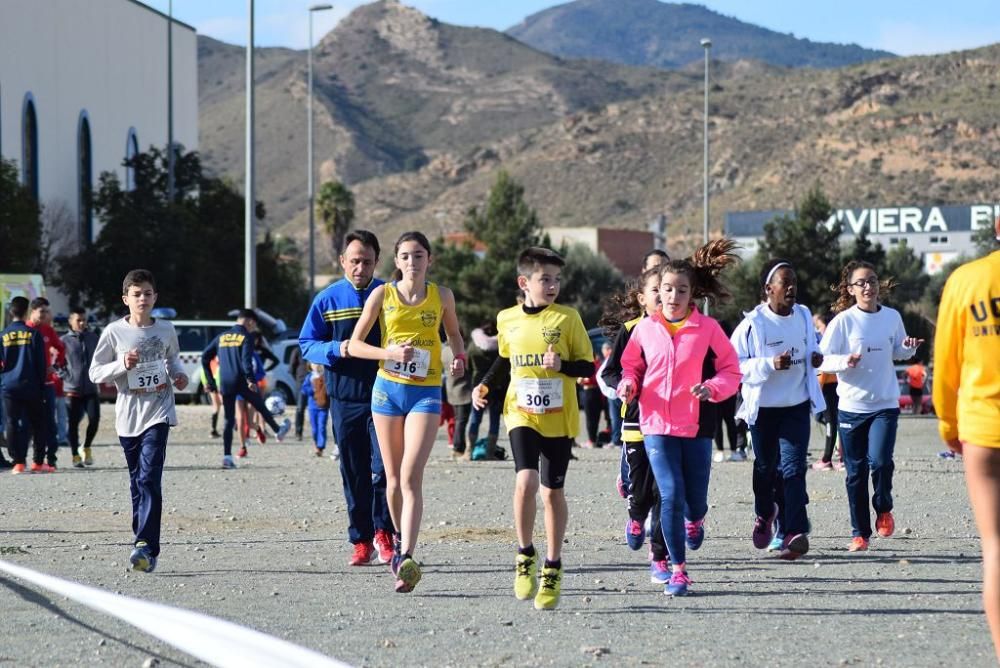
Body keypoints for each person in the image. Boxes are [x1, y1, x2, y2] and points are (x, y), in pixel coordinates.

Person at [617, 240, 741, 596]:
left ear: (693, 295)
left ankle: (696, 519)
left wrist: (713, 388)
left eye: (681, 290)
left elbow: (731, 369)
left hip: (697, 425)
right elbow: (630, 367)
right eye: (667, 289)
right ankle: (679, 570)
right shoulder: (644, 329)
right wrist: (628, 385)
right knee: (669, 495)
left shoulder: (708, 329)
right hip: (655, 424)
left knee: (695, 499)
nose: (672, 296)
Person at [473, 247, 593, 610]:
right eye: (545, 279)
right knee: (525, 481)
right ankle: (525, 555)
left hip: (559, 417)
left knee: (551, 493)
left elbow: (587, 366)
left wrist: (563, 367)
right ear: (524, 282)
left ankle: (553, 566)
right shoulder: (507, 318)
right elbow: (505, 358)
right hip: (521, 412)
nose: (553, 285)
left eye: (557, 279)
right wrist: (485, 384)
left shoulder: (568, 318)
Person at [348, 231, 465, 593]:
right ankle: (398, 542)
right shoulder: (382, 295)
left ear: (429, 259)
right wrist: (389, 354)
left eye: (418, 256)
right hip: (387, 392)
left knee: (412, 475)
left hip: (425, 393)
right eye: (405, 256)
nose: (412, 262)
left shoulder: (441, 296)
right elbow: (354, 344)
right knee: (393, 479)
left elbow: (455, 336)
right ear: (396, 262)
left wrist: (459, 358)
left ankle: (407, 555)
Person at [300, 230, 396, 568]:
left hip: (386, 397)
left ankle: (386, 533)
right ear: (342, 261)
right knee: (353, 471)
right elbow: (306, 343)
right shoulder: (328, 299)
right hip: (344, 399)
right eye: (354, 261)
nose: (360, 267)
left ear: (376, 263)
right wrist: (334, 349)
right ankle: (361, 540)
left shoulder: (389, 295)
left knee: (384, 470)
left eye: (367, 261)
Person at [88, 270, 189, 572]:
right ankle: (140, 539)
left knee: (149, 477)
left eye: (147, 293)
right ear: (126, 299)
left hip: (158, 412)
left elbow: (173, 359)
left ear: (155, 297)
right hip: (128, 415)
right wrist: (122, 364)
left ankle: (146, 545)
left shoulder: (166, 329)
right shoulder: (114, 332)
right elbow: (95, 372)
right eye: (136, 293)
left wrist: (179, 375)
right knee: (136, 481)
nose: (142, 298)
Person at [819, 260, 923, 552]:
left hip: (885, 404)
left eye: (872, 281)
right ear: (851, 289)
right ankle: (859, 533)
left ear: (879, 286)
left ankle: (884, 506)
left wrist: (910, 347)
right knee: (855, 473)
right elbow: (821, 359)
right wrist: (844, 361)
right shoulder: (842, 322)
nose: (868, 287)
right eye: (861, 283)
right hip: (851, 406)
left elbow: (899, 350)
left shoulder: (891, 317)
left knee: (879, 462)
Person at [933, 220, 1000, 662]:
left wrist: (948, 426)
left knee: (996, 544)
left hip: (983, 426)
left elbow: (946, 365)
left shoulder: (967, 280)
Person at [731, 259, 826, 561]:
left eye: (794, 282)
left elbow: (813, 346)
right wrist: (769, 364)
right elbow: (734, 366)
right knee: (765, 470)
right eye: (785, 282)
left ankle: (794, 533)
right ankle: (765, 513)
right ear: (768, 289)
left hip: (796, 406)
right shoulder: (752, 325)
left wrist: (816, 357)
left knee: (795, 470)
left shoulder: (804, 315)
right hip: (764, 411)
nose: (792, 288)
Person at [600, 267, 670, 584]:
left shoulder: (681, 330)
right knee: (640, 492)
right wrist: (624, 385)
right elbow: (609, 372)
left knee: (664, 493)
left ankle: (660, 556)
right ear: (642, 298)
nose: (662, 295)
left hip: (670, 424)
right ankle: (635, 517)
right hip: (636, 422)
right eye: (655, 289)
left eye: (666, 288)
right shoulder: (630, 330)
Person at [201, 309, 291, 469]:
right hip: (241, 380)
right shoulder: (245, 337)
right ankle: (278, 430)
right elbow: (245, 361)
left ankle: (227, 457)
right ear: (249, 321)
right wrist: (250, 379)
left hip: (226, 382)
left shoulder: (221, 337)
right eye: (254, 325)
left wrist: (210, 381)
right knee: (259, 404)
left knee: (229, 420)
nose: (253, 328)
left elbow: (205, 357)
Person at [1, 296, 47, 473]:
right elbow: (40, 364)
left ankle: (18, 462)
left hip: (9, 386)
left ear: (11, 312)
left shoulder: (3, 335)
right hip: (31, 385)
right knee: (38, 424)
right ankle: (37, 462)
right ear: (27, 311)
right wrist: (41, 386)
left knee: (11, 423)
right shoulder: (33, 334)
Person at [27, 297, 66, 468]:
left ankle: (51, 458)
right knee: (30, 423)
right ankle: (32, 459)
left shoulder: (48, 330)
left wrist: (56, 365)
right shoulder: (24, 330)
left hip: (48, 384)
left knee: (50, 422)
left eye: (47, 311)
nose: (45, 315)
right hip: (29, 385)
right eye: (42, 311)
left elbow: (61, 348)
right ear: (32, 311)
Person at [61, 307, 101, 467]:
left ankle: (87, 447)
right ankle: (75, 455)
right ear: (70, 321)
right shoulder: (63, 340)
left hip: (91, 388)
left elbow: (102, 358)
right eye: (78, 320)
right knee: (73, 423)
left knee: (94, 419)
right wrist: (67, 377)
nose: (82, 323)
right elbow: (55, 362)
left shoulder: (93, 338)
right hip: (72, 389)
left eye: (84, 319)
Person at [467, 323, 504, 458]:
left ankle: (469, 451)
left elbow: (468, 367)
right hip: (497, 386)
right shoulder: (501, 346)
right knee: (494, 420)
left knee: (475, 418)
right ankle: (490, 452)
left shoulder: (472, 346)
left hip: (478, 385)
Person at [811, 311, 843, 471]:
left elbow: (822, 365)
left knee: (831, 421)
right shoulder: (836, 336)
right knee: (836, 421)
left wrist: (816, 387)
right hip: (835, 383)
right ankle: (842, 456)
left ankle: (827, 459)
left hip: (829, 385)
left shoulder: (826, 339)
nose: (817, 330)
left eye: (819, 325)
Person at [442, 341, 473, 459]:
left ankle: (457, 445)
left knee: (456, 419)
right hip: (464, 390)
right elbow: (470, 369)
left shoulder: (444, 351)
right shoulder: (462, 353)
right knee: (462, 421)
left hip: (450, 389)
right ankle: (458, 447)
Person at [301, 363, 334, 458]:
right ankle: (316, 443)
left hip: (323, 407)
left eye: (318, 363)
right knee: (315, 428)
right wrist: (313, 389)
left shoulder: (326, 376)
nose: (316, 365)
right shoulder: (309, 377)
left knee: (322, 426)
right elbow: (303, 389)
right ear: (310, 365)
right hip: (312, 406)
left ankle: (320, 447)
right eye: (314, 363)